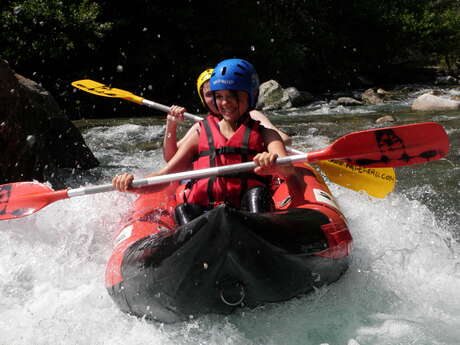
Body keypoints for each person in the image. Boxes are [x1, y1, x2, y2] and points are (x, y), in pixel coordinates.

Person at [113, 58, 299, 225]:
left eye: (232, 96)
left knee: (258, 196)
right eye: (219, 97)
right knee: (183, 210)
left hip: (249, 214)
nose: (225, 103)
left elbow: (287, 169)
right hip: (205, 215)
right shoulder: (200, 133)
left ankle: (262, 243)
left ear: (251, 95)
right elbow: (166, 176)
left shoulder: (266, 135)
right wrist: (133, 185)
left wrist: (273, 165)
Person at [162, 67, 291, 162]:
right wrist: (171, 125)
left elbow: (285, 139)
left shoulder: (253, 116)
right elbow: (171, 158)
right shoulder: (202, 128)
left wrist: (263, 148)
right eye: (211, 95)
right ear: (203, 100)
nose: (220, 101)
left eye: (227, 94)